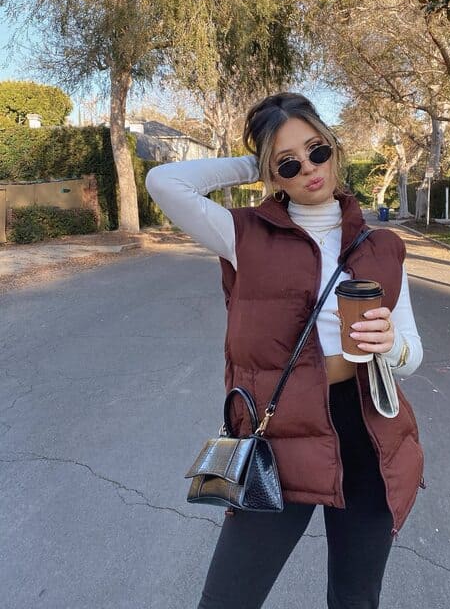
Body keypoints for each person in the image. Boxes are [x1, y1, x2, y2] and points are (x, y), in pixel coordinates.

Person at [145, 92, 424, 609]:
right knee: (227, 599)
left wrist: (392, 345)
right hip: (280, 436)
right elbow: (164, 181)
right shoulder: (242, 233)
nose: (308, 169)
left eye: (317, 151)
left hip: (368, 431)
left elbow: (412, 352)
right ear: (271, 177)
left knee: (355, 599)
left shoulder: (383, 247)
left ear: (334, 147)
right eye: (288, 163)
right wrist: (258, 156)